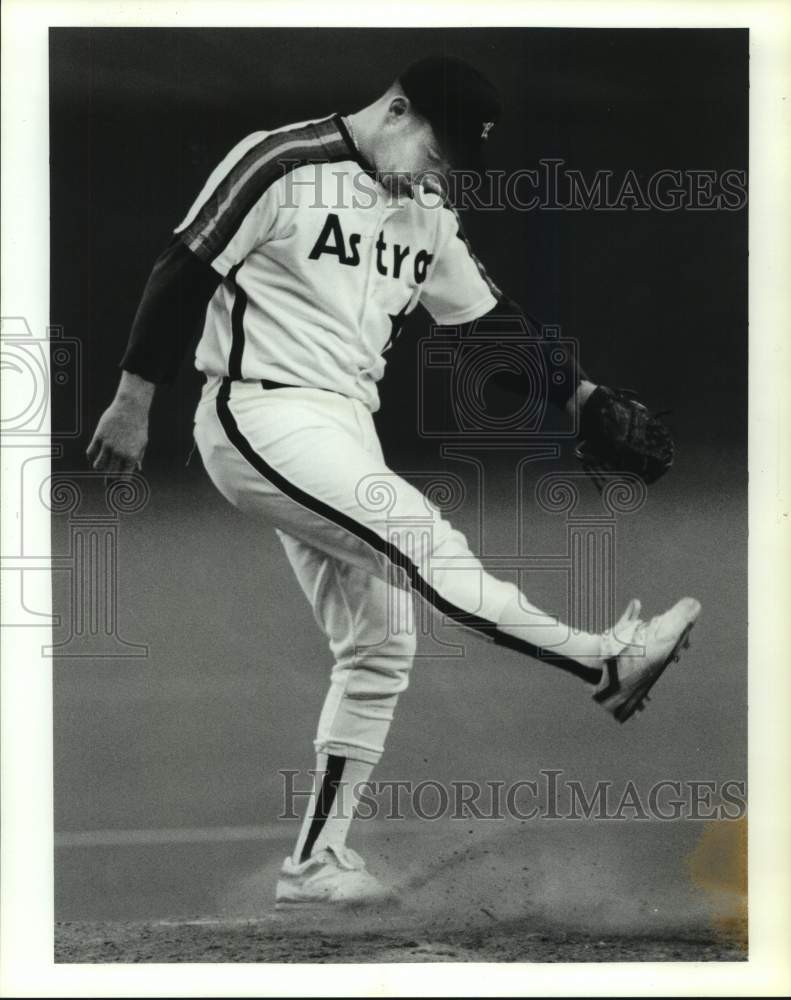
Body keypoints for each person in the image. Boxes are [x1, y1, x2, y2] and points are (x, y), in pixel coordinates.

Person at [87, 55, 700, 908]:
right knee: (420, 542)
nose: (443, 172)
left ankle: (315, 864)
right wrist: (132, 396)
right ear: (397, 108)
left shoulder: (427, 213)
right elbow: (184, 264)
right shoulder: (282, 162)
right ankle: (603, 660)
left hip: (342, 426)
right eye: (440, 151)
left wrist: (585, 396)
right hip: (260, 412)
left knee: (380, 645)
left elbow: (490, 326)